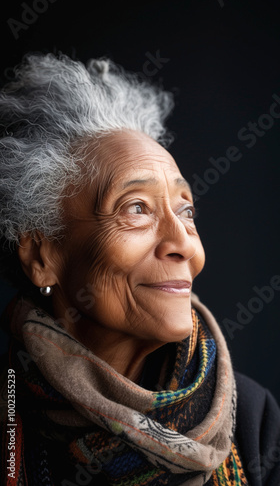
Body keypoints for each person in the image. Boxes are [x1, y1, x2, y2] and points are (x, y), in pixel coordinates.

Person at [0, 52, 279, 486]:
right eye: (136, 208)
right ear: (42, 257)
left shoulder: (255, 422)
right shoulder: (9, 419)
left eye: (186, 211)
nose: (185, 244)